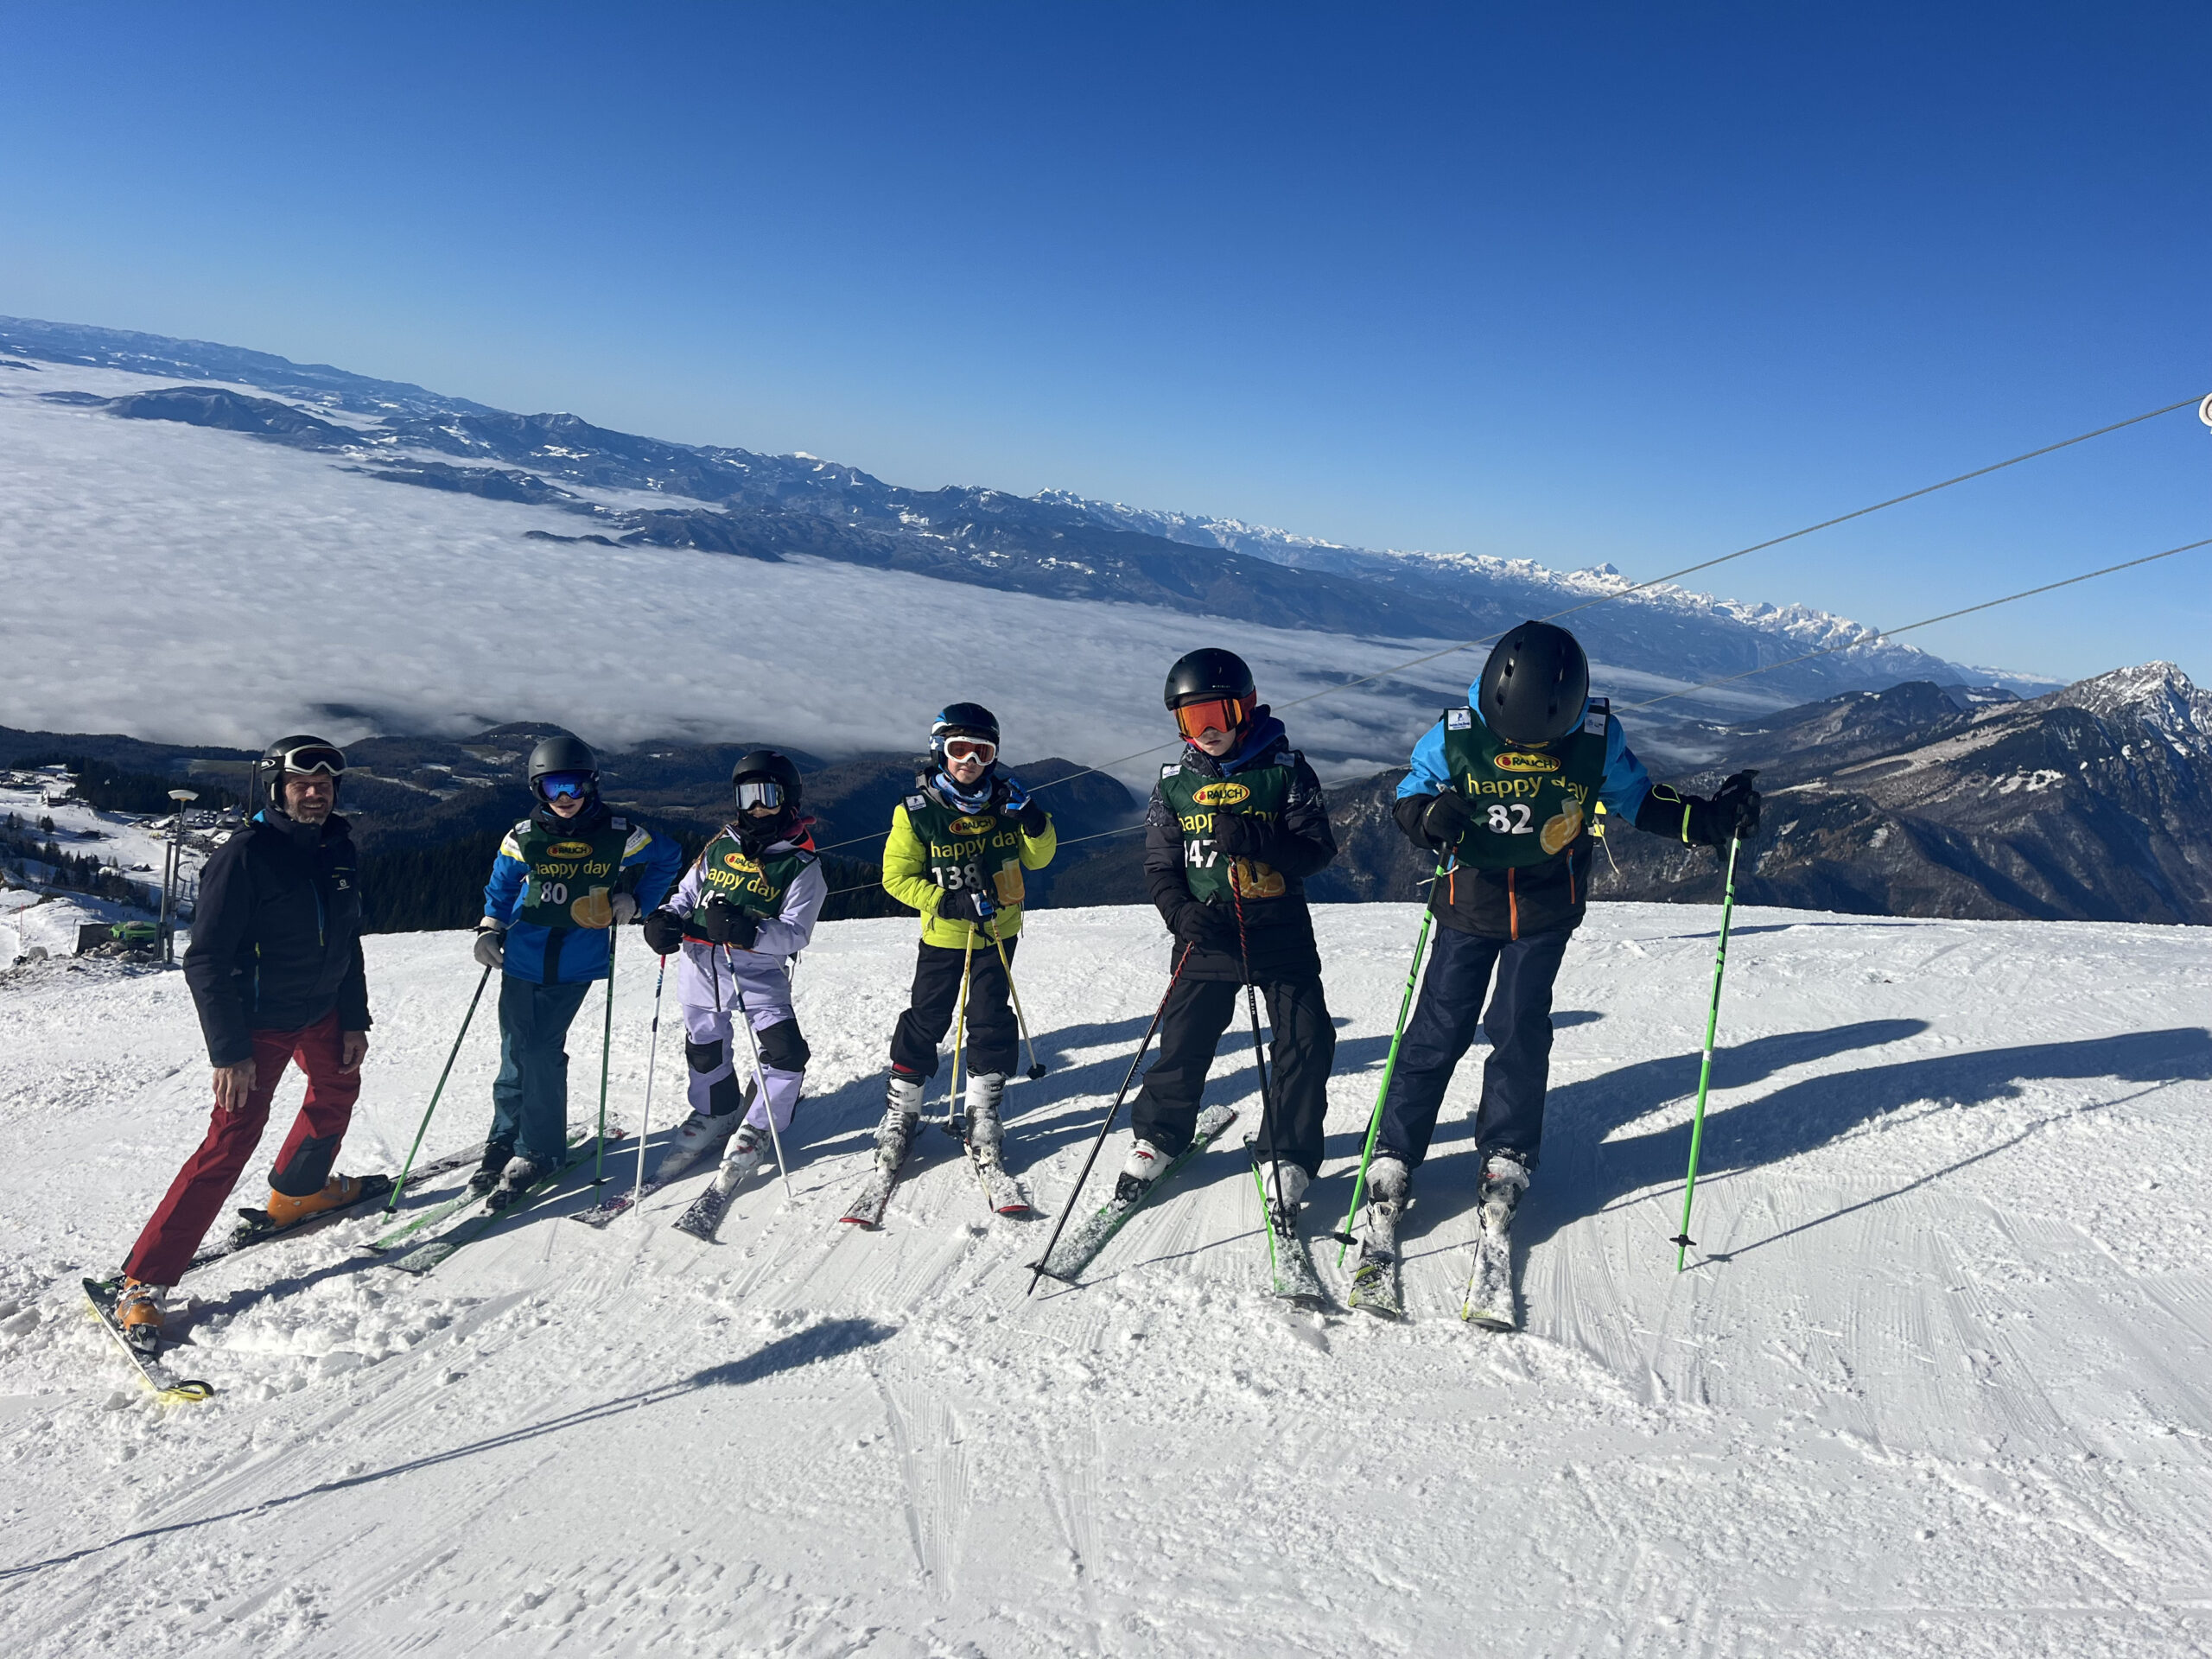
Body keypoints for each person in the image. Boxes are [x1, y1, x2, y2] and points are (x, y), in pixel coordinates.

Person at [1367, 619, 1760, 1236]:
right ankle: (1394, 1148)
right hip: (1470, 902)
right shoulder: (1458, 734)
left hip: (1545, 909)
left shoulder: (1594, 739)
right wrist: (1427, 816)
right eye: (1513, 741)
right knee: (1439, 1027)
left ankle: (1508, 1149)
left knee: (1519, 1025)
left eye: (1542, 743)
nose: (1528, 751)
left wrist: (1706, 821)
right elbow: (1411, 794)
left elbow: (1637, 799)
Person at [111, 735, 374, 1352]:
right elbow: (205, 959)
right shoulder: (245, 856)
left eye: (325, 785)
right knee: (231, 1139)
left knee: (337, 1090)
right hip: (259, 1024)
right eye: (302, 784)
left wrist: (353, 1017)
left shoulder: (338, 848)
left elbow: (348, 940)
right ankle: (144, 1280)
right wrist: (229, 1052)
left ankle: (298, 1191)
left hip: (323, 1011)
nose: (315, 793)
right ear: (277, 788)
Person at [1122, 649, 1338, 1246]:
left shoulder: (1287, 771)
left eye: (1215, 715)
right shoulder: (1175, 783)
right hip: (1208, 932)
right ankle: (1159, 1135)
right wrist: (1179, 913)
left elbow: (1317, 850)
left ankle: (1287, 1151)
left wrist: (1261, 839)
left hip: (1279, 930)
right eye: (1190, 720)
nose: (1206, 730)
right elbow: (1160, 864)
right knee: (1184, 1040)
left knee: (1306, 1040)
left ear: (1244, 708)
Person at [473, 734, 682, 1207]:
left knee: (541, 1049)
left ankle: (540, 1149)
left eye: (573, 786)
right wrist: (490, 927)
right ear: (537, 790)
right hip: (521, 956)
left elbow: (667, 855)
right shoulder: (523, 836)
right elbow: (502, 883)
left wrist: (637, 901)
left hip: (576, 960)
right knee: (514, 1050)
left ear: (591, 784)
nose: (564, 798)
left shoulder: (619, 835)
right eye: (552, 788)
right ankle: (504, 1135)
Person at [874, 703, 1055, 1179]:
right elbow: (896, 877)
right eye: (959, 749)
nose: (970, 761)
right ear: (940, 750)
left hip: (999, 931)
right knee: (927, 1016)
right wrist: (947, 902)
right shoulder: (917, 811)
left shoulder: (1007, 804)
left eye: (982, 752)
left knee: (990, 1016)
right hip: (946, 934)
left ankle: (983, 1108)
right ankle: (902, 1109)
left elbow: (1039, 859)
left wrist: (1034, 821)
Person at [639, 749, 826, 1187]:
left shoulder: (800, 865)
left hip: (757, 976)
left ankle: (761, 1124)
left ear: (788, 799)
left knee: (785, 1052)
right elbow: (687, 896)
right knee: (704, 1049)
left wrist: (750, 932)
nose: (757, 806)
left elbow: (796, 932)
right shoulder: (720, 846)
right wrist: (665, 918)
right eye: (747, 796)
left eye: (768, 796)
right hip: (699, 970)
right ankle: (716, 1111)